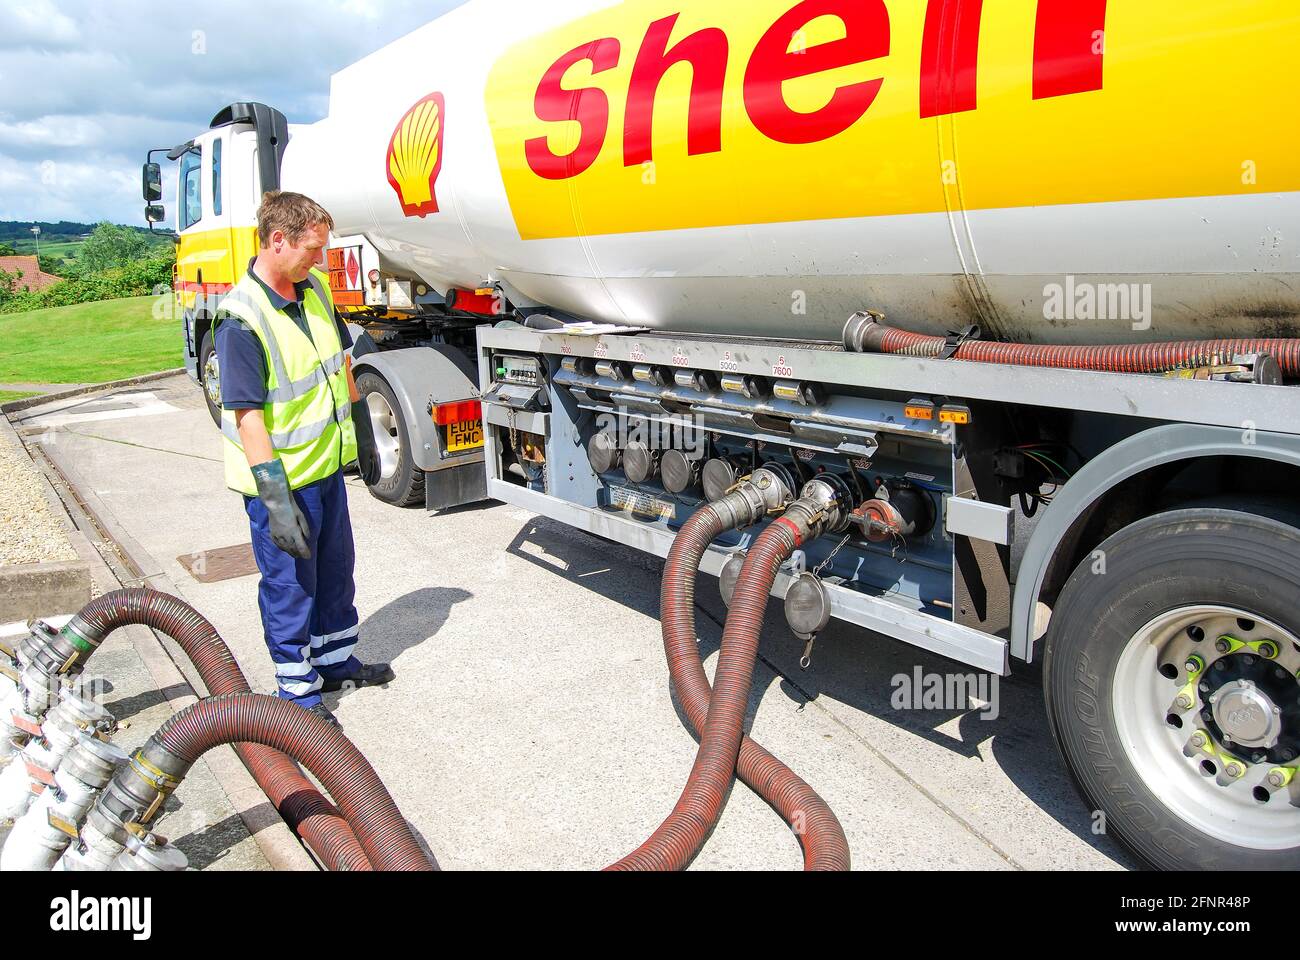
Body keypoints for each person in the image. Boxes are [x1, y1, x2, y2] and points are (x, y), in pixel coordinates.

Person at [214, 190, 393, 728]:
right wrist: (275, 500)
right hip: (283, 485)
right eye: (312, 249)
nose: (320, 259)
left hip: (326, 473)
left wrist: (361, 429)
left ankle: (335, 661)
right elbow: (249, 419)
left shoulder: (312, 290)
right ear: (277, 239)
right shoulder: (240, 320)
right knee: (291, 586)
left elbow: (340, 363)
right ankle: (297, 692)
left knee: (335, 574)